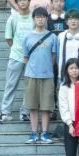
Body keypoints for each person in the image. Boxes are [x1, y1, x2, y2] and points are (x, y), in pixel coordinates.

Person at [0, 0, 34, 124]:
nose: (23, 2)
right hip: (16, 56)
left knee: (30, 86)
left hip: (33, 58)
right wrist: (17, 49)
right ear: (16, 3)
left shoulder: (35, 17)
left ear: (29, 1)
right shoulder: (13, 18)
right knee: (10, 84)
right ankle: (5, 112)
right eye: (20, 0)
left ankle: (25, 112)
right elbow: (8, 38)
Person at [23, 7, 58, 144]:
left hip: (47, 76)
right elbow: (25, 57)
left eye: (43, 17)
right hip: (31, 75)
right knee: (32, 106)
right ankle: (33, 132)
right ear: (33, 19)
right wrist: (33, 69)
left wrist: (46, 68)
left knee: (46, 106)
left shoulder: (53, 37)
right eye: (37, 17)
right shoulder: (27, 37)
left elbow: (53, 57)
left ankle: (45, 133)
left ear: (46, 19)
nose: (40, 19)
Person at [57, 10, 79, 81]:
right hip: (65, 73)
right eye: (70, 19)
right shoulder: (61, 36)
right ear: (66, 22)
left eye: (75, 19)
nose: (73, 21)